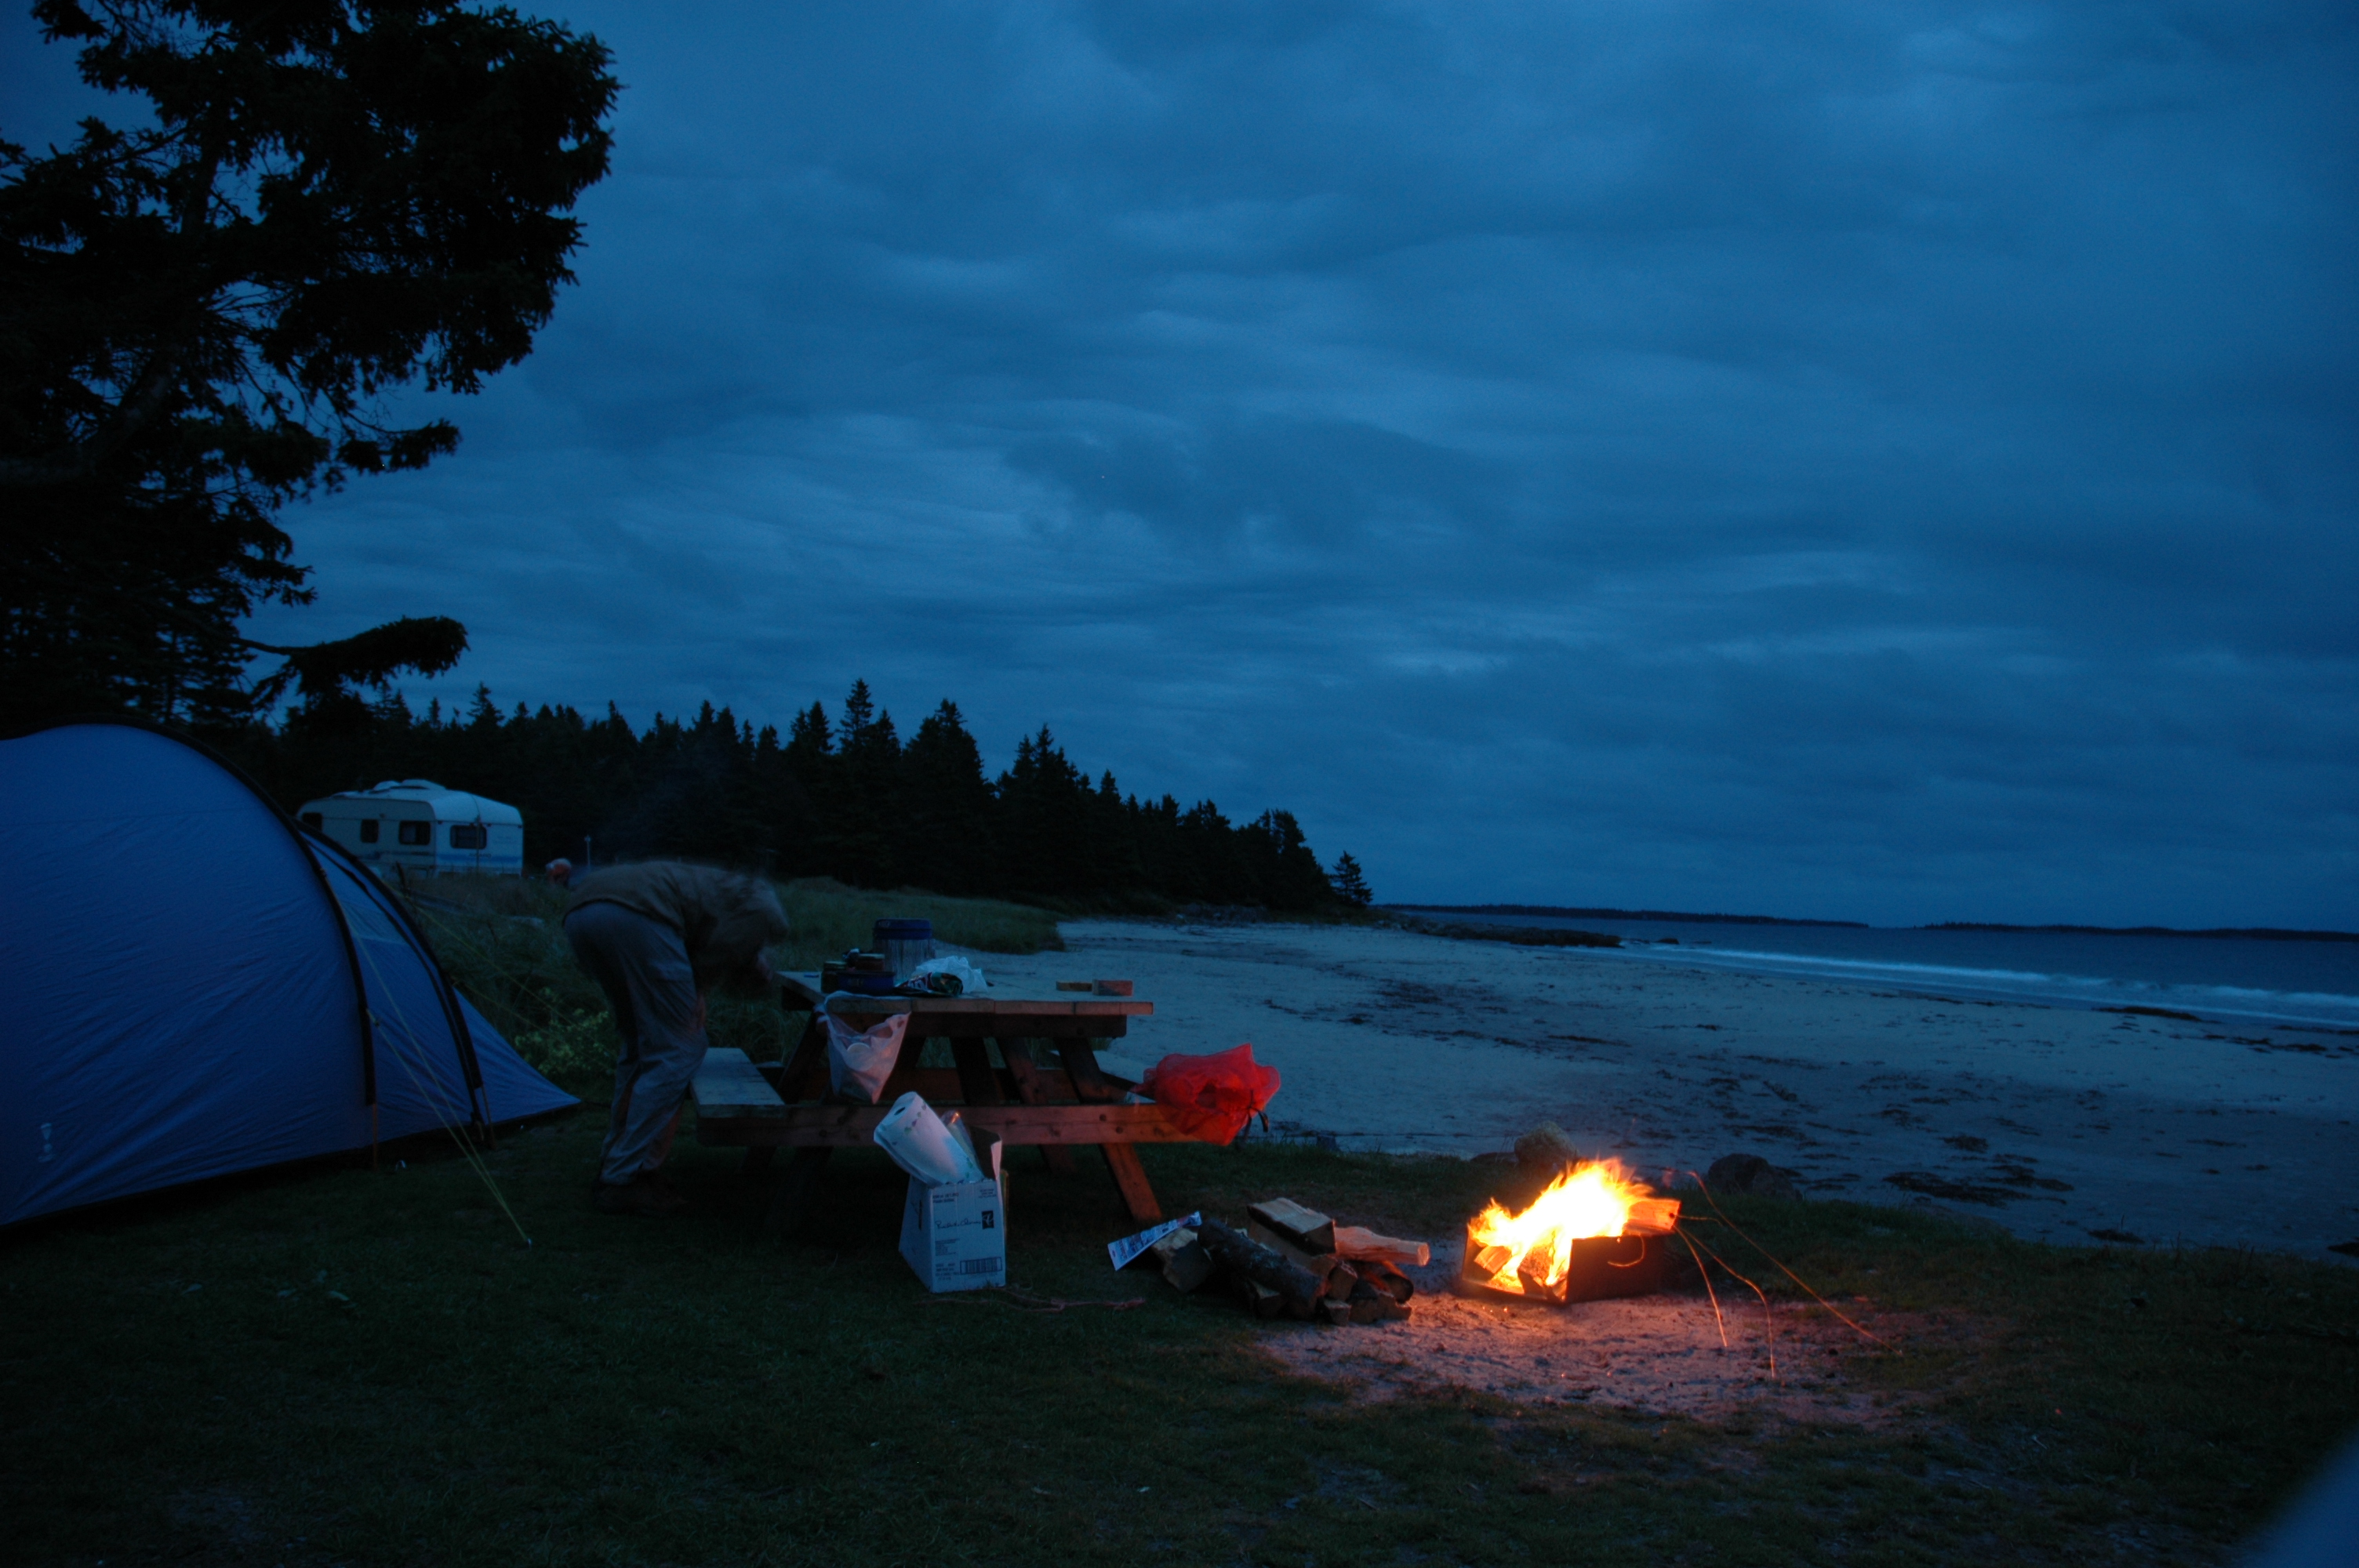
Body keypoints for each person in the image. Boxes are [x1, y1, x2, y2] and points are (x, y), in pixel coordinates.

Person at [563, 861, 789, 1215]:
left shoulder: (720, 890)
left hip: (583, 912)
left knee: (639, 1046)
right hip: (639, 916)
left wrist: (706, 981)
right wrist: (700, 988)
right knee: (682, 1048)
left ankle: (618, 1160)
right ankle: (627, 1175)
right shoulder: (765, 914)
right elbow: (719, 952)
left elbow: (709, 947)